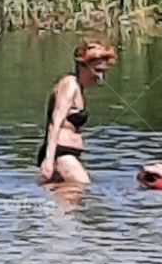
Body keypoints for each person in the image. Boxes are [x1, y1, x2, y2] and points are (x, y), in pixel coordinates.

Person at [38, 40, 117, 185]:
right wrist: (48, 161)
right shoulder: (70, 85)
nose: (100, 78)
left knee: (67, 204)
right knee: (83, 185)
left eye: (104, 72)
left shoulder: (80, 90)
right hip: (61, 154)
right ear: (83, 65)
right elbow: (55, 124)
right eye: (97, 71)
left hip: (69, 154)